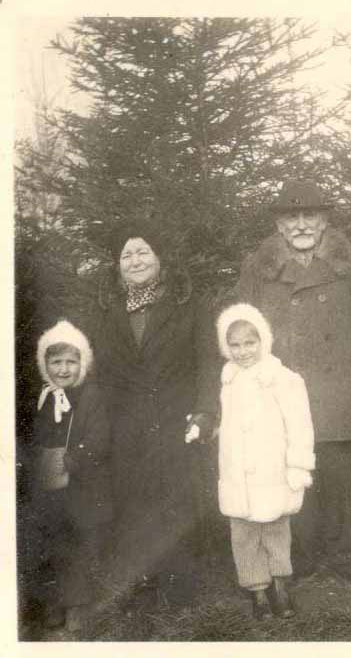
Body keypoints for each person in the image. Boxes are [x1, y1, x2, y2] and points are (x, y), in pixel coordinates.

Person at [234, 180, 351, 590]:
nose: (301, 224)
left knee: (340, 477)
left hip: (338, 389)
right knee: (290, 474)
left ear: (323, 221)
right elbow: (241, 326)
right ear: (279, 224)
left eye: (310, 216)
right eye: (292, 216)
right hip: (281, 392)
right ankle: (298, 560)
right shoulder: (258, 267)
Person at [93, 219, 217, 603]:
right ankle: (142, 580)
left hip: (177, 422)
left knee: (178, 500)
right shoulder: (106, 311)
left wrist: (205, 413)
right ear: (118, 265)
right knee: (134, 501)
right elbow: (99, 372)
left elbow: (208, 364)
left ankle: (182, 583)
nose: (135, 260)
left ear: (159, 258)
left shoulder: (189, 305)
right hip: (128, 426)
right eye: (126, 255)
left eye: (142, 251)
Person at [215, 303, 315, 619]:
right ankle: (257, 591)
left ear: (264, 341)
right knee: (243, 533)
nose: (243, 351)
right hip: (237, 473)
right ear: (225, 346)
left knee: (274, 528)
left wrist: (298, 465)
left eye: (250, 343)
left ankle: (280, 587)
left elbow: (300, 424)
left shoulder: (282, 378)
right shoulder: (227, 380)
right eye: (235, 344)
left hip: (271, 470)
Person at [32, 319, 113, 632]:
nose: (63, 370)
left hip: (84, 485)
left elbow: (100, 438)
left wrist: (73, 459)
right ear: (45, 364)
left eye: (70, 362)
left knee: (79, 544)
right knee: (54, 541)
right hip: (51, 485)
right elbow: (36, 437)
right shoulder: (44, 397)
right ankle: (56, 600)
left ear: (82, 363)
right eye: (56, 362)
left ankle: (77, 604)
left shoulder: (90, 396)